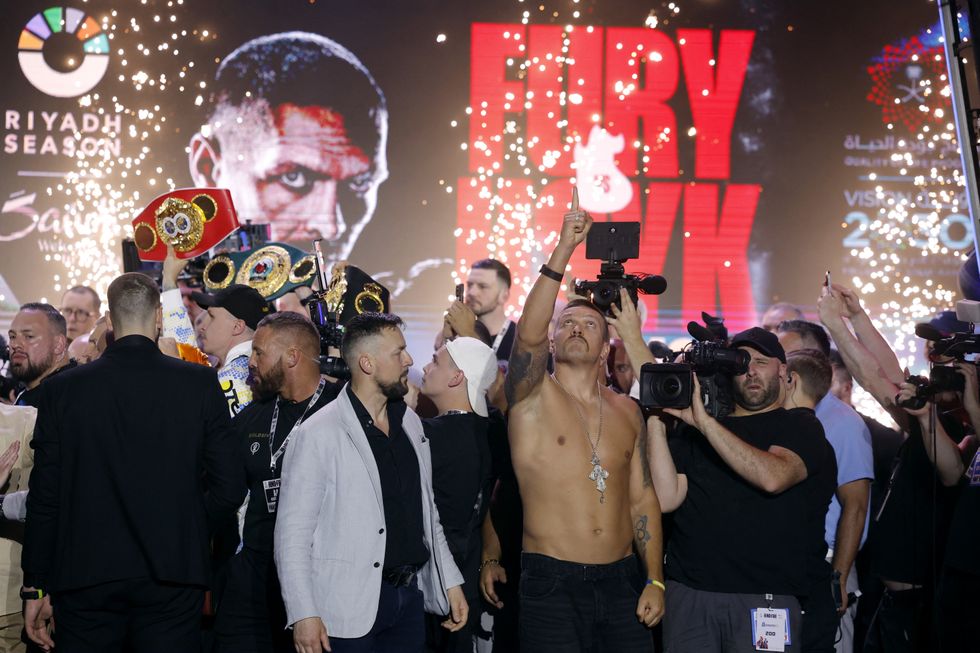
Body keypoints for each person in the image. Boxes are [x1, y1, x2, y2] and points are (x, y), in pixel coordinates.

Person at [21, 272, 245, 652]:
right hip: (173, 574)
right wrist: (186, 524)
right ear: (159, 317)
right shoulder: (198, 384)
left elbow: (46, 496)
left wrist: (35, 584)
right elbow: (230, 486)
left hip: (84, 575)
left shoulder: (63, 390)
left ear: (110, 320)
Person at [503, 207, 664, 652]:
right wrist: (564, 248)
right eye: (566, 324)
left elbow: (642, 498)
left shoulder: (627, 412)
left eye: (589, 323)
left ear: (606, 344)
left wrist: (655, 579)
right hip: (551, 582)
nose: (576, 328)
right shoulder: (531, 397)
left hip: (622, 581)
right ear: (552, 340)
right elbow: (528, 338)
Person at [631, 317, 832, 653]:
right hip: (692, 596)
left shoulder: (800, 427)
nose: (750, 371)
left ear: (785, 374)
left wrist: (705, 425)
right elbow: (666, 499)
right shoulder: (697, 427)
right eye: (740, 363)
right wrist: (657, 418)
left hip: (766, 599)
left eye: (761, 363)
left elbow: (773, 477)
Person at [275, 312, 468, 652]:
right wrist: (303, 612)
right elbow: (292, 535)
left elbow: (427, 512)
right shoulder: (317, 433)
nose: (409, 360)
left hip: (408, 601)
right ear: (367, 363)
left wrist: (449, 580)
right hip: (345, 609)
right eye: (398, 352)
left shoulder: (410, 422)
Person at [817, 286, 965, 652]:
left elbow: (875, 381)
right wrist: (857, 317)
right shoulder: (934, 415)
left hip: (917, 606)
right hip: (889, 600)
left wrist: (836, 326)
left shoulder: (956, 428)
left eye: (948, 358)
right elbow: (891, 374)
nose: (936, 363)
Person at [189, 31, 388, 260]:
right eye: (294, 177)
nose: (332, 227)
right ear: (208, 170)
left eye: (360, 182)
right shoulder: (167, 290)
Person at [215, 312, 341, 653]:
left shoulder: (341, 411)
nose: (250, 363)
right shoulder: (253, 416)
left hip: (318, 579)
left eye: (259, 353)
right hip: (253, 576)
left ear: (292, 356)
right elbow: (222, 491)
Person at [776, 321, 873, 653]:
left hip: (831, 565)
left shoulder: (843, 423)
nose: (778, 364)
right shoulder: (781, 416)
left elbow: (856, 506)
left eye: (784, 354)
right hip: (789, 565)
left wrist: (840, 578)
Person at [419, 337, 499, 653]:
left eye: (436, 361)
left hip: (437, 588)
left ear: (456, 377)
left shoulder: (432, 435)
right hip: (464, 581)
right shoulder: (486, 430)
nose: (425, 367)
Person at [783, 349, 852, 653]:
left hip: (796, 584)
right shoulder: (820, 442)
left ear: (791, 380)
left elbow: (856, 507)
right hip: (812, 581)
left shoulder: (795, 438)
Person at [459, 259, 516, 362]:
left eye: (483, 286)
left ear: (504, 295)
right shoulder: (458, 336)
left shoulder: (520, 342)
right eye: (470, 285)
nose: (472, 292)